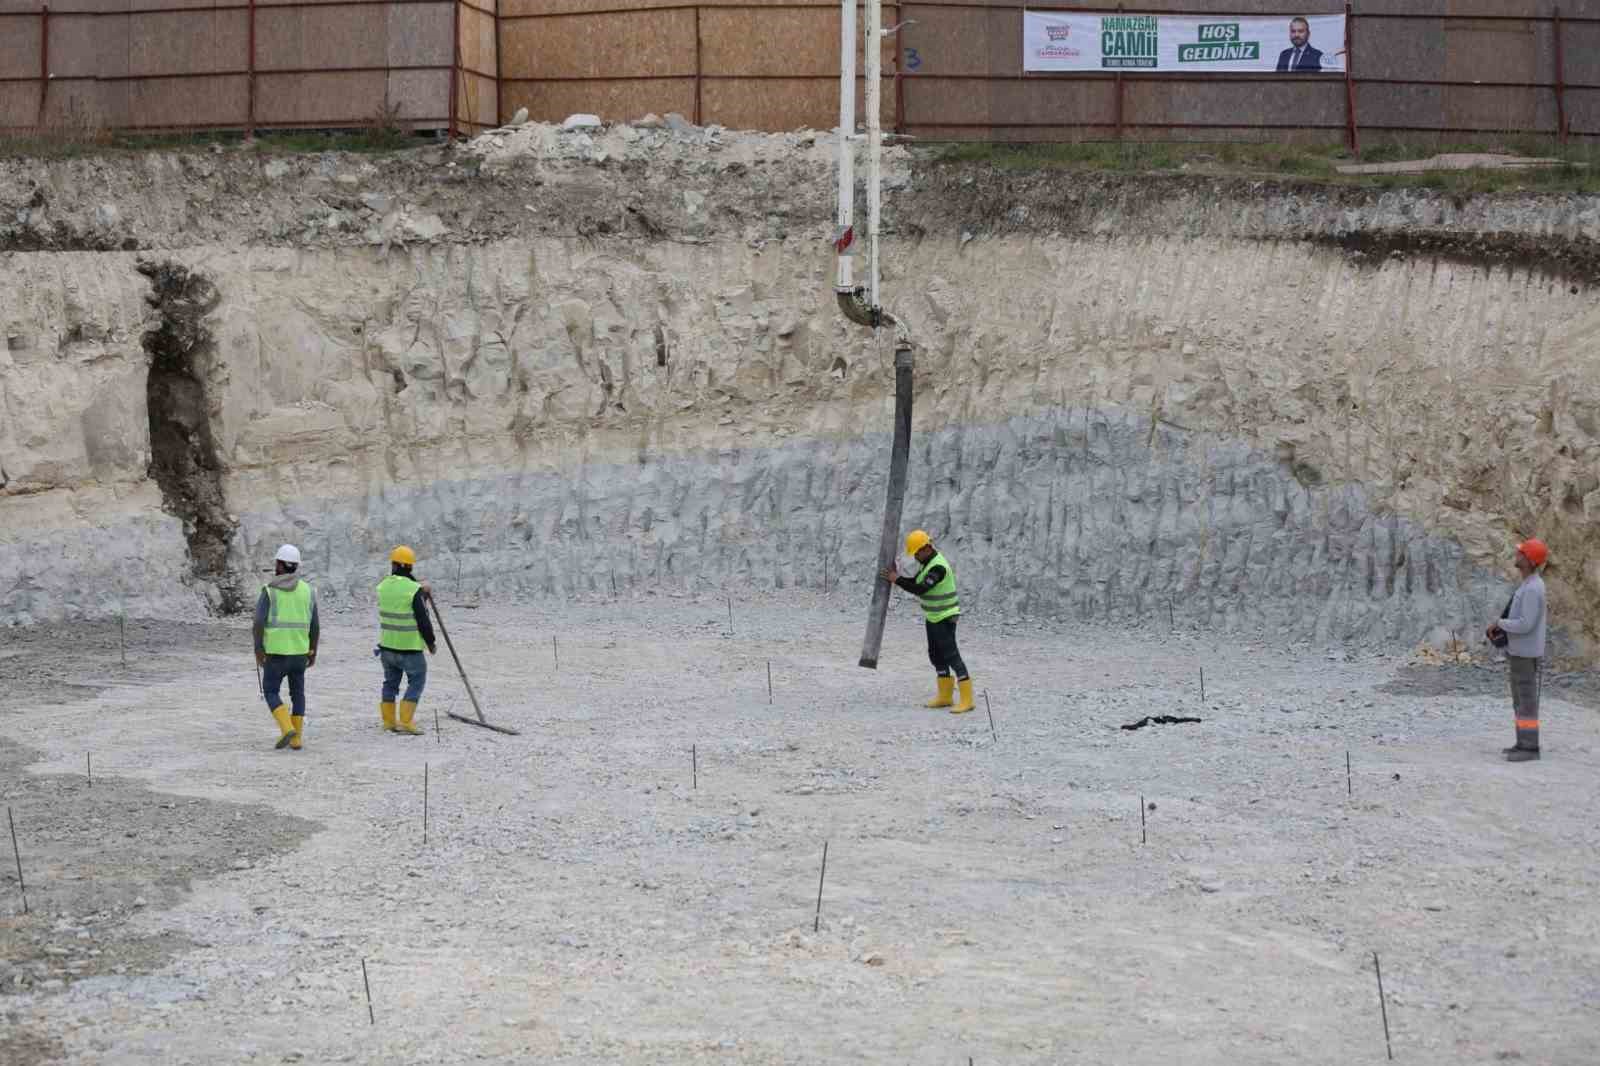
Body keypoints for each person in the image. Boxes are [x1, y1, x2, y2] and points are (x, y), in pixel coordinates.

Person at [880, 530, 975, 714]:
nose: (915, 557)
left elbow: (921, 589)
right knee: (935, 654)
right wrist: (897, 578)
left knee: (951, 654)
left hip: (945, 616)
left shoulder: (937, 567)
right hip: (934, 616)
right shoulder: (927, 563)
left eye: (916, 553)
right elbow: (916, 581)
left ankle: (967, 699)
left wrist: (896, 579)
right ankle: (945, 696)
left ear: (925, 548)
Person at [1486, 538, 1548, 762]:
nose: (1517, 555)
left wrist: (1500, 624)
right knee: (1520, 700)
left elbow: (1526, 624)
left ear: (1530, 560)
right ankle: (1522, 742)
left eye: (1521, 553)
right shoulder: (1529, 584)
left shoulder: (1532, 588)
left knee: (1526, 700)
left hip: (1525, 653)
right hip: (1520, 652)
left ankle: (1530, 748)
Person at [252, 543, 318, 751]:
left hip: (276, 654)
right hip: (300, 653)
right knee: (298, 693)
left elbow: (258, 623)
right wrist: (313, 650)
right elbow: (315, 625)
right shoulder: (308, 591)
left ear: (279, 565)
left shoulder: (270, 591)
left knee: (271, 691)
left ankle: (287, 727)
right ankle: (296, 739)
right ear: (296, 566)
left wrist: (258, 649)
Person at [377, 545, 437, 736]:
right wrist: (431, 642)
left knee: (390, 683)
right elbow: (422, 620)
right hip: (409, 648)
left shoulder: (383, 586)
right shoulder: (413, 590)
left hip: (387, 648)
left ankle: (388, 722)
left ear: (394, 565)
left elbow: (400, 602)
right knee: (417, 679)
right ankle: (405, 721)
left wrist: (420, 592)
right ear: (410, 567)